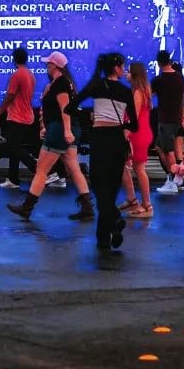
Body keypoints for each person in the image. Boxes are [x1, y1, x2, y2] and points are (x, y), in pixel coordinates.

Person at [6, 52, 93, 221]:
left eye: (48, 64)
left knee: (42, 170)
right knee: (74, 168)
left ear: (54, 66)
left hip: (60, 130)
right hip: (66, 129)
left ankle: (27, 207)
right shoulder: (65, 82)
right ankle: (87, 206)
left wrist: (65, 131)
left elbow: (65, 109)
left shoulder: (60, 83)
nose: (46, 66)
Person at [71, 53, 138, 251]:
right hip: (117, 139)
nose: (125, 69)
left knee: (100, 188)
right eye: (123, 66)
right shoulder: (126, 92)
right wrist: (121, 123)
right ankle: (111, 225)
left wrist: (91, 117)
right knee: (112, 186)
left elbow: (71, 106)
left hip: (99, 139)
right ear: (116, 68)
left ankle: (108, 230)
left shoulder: (96, 86)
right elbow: (134, 124)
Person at [0, 46, 39, 189]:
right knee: (15, 148)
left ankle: (39, 169)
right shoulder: (30, 74)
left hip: (17, 117)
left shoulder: (17, 75)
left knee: (14, 147)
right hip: (27, 115)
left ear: (14, 59)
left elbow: (10, 95)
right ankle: (13, 179)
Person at [120, 60, 155, 217]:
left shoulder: (138, 92)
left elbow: (133, 117)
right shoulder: (143, 90)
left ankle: (146, 204)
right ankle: (132, 198)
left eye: (128, 71)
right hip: (142, 132)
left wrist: (125, 134)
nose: (125, 74)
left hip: (138, 134)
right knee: (128, 165)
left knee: (139, 168)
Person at [151, 51, 184, 195]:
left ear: (158, 63)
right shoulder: (180, 77)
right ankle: (176, 179)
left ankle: (173, 180)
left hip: (166, 120)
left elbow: (148, 95)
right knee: (164, 147)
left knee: (168, 150)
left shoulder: (159, 80)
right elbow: (183, 98)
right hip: (178, 119)